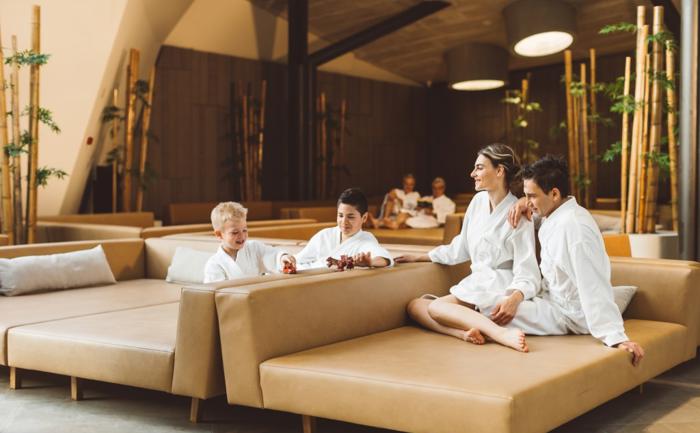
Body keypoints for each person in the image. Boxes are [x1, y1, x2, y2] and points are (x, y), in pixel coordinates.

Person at [501, 155, 644, 365]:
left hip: (570, 314)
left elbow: (592, 284)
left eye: (531, 195)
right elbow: (541, 219)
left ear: (555, 194)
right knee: (492, 295)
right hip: (551, 300)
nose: (528, 202)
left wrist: (615, 338)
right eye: (526, 195)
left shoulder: (575, 229)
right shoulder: (558, 213)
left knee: (491, 307)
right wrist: (524, 202)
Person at [396, 144, 540, 352]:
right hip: (477, 283)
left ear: (499, 171)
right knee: (415, 306)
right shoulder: (477, 202)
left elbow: (528, 271)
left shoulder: (519, 213)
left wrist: (514, 299)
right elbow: (460, 247)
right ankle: (464, 333)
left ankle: (500, 334)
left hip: (499, 286)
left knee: (436, 307)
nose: (472, 174)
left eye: (479, 168)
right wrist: (419, 257)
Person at [295, 188, 394, 270]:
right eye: (340, 215)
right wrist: (288, 259)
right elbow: (299, 258)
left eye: (350, 217)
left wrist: (370, 262)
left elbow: (384, 259)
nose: (344, 222)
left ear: (364, 218)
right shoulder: (325, 234)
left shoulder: (366, 239)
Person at [203, 201, 296, 283]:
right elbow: (216, 293)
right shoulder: (214, 264)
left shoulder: (254, 248)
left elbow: (271, 255)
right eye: (235, 232)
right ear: (219, 234)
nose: (242, 236)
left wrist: (282, 258)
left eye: (244, 230)